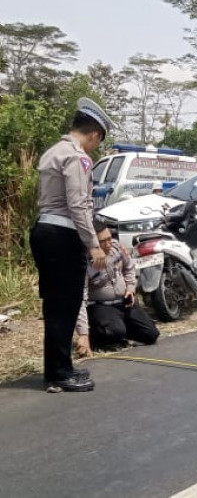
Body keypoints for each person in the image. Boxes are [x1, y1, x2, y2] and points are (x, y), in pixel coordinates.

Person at [30, 97, 114, 393]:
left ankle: (59, 367)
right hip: (63, 237)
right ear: (94, 134)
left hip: (45, 231)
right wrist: (92, 244)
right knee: (65, 306)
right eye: (97, 142)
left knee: (56, 305)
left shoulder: (54, 151)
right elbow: (79, 205)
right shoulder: (77, 157)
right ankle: (59, 373)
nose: (95, 148)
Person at [75, 220, 159, 355]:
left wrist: (130, 289)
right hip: (100, 307)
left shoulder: (116, 248)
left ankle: (121, 333)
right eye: (103, 241)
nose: (108, 244)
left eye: (109, 238)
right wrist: (83, 332)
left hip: (124, 302)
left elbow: (129, 268)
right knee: (115, 331)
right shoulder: (84, 262)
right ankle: (97, 337)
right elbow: (80, 298)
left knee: (151, 334)